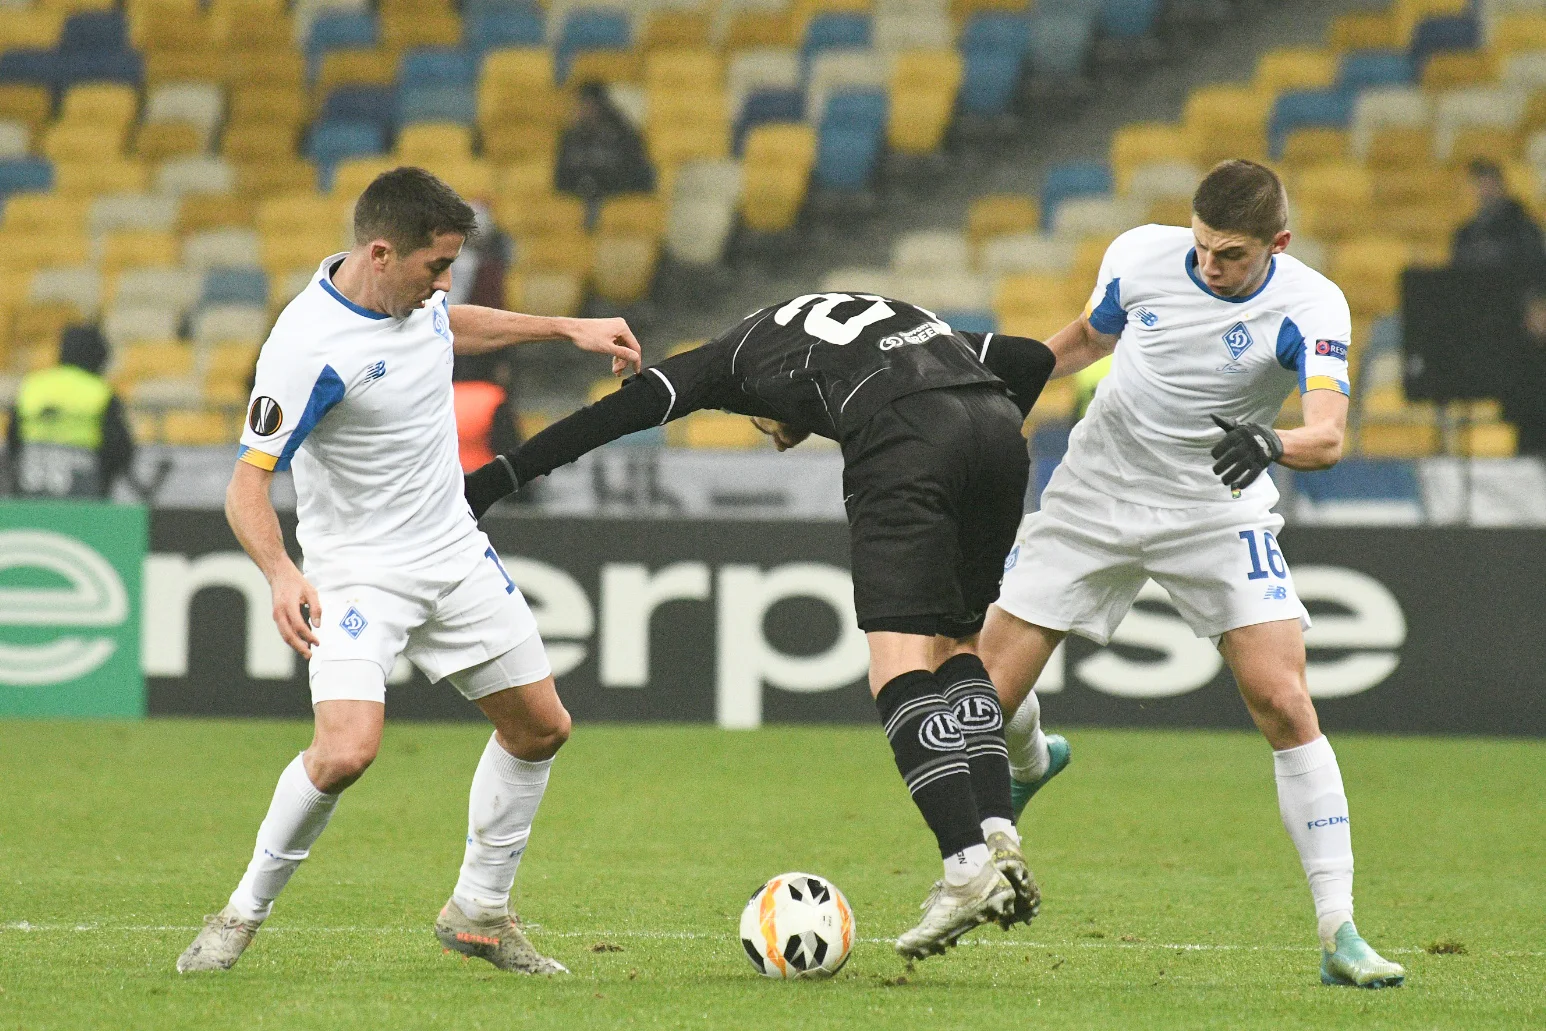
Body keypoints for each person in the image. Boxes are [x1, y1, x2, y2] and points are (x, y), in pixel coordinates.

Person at [463, 293, 1058, 959]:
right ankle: (998, 836)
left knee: (900, 663)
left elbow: (605, 419)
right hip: (996, 431)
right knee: (958, 645)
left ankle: (966, 871)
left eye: (761, 421)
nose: (776, 434)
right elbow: (1032, 359)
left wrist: (487, 485)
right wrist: (970, 445)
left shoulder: (732, 358)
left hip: (904, 438)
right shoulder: (897, 319)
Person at [175, 167, 641, 974]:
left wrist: (566, 328)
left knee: (541, 728)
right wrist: (282, 572)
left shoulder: (415, 303)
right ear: (382, 254)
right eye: (437, 265)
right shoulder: (306, 348)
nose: (445, 283)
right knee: (345, 751)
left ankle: (480, 913)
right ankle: (239, 914)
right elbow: (246, 484)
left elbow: (450, 326)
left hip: (453, 553)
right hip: (360, 574)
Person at [979, 160, 1406, 989]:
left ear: (1278, 244)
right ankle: (1032, 761)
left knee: (1284, 701)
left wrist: (1273, 442)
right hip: (1097, 489)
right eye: (1203, 247)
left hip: (1217, 504)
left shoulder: (1312, 305)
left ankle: (1339, 930)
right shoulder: (1141, 254)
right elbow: (1088, 338)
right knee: (982, 702)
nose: (1210, 266)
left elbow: (1328, 434)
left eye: (1232, 255)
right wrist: (1000, 390)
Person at [6, 323, 135, 498]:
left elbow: (13, 440)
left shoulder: (32, 385)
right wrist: (104, 483)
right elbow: (119, 448)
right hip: (83, 493)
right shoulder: (99, 391)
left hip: (29, 493)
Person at [555, 83, 655, 206]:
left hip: (618, 203)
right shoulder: (570, 138)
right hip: (577, 202)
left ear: (597, 105)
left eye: (583, 104)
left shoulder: (624, 135)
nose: (577, 110)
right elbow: (560, 180)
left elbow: (639, 178)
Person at [1451, 159, 1546, 269]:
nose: (1486, 191)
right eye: (1481, 185)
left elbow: (1534, 267)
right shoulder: (1466, 234)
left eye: (1490, 184)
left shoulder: (1524, 229)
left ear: (1502, 186)